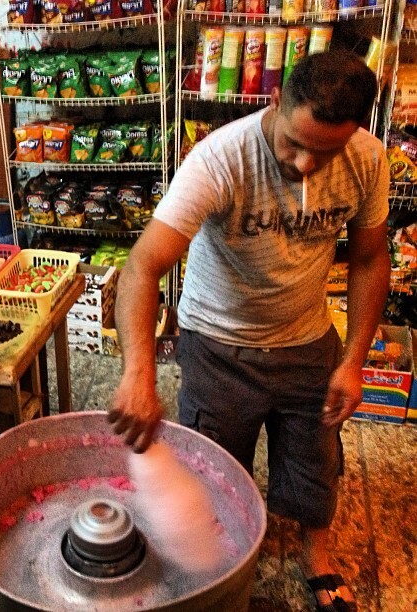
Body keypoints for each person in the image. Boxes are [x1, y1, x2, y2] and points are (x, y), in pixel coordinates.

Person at [108, 49, 390, 612]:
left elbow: (369, 258)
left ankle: (317, 554)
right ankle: (214, 563)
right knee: (211, 467)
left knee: (315, 461)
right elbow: (142, 267)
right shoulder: (219, 159)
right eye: (294, 143)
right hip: (218, 345)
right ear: (274, 100)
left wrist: (353, 359)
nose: (307, 164)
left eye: (326, 150)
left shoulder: (367, 158)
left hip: (308, 339)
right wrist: (138, 372)